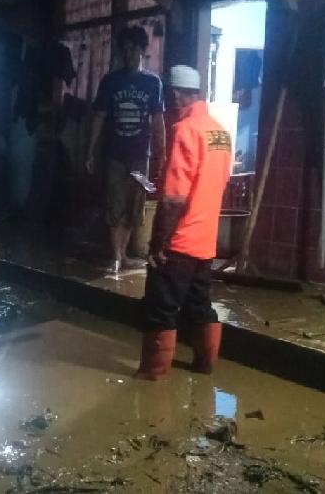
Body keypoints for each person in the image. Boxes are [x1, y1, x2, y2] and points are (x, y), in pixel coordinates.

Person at [135, 65, 231, 380]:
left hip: (179, 241)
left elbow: (175, 196)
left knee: (160, 308)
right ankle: (205, 366)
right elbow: (216, 181)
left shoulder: (185, 130)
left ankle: (152, 375)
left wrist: (159, 243)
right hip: (205, 241)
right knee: (199, 306)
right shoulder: (219, 132)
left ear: (176, 94)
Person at [86, 26, 166, 273]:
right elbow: (99, 117)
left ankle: (124, 254)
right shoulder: (110, 81)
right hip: (114, 155)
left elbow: (157, 120)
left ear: (143, 50)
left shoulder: (153, 83)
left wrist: (163, 152)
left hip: (141, 158)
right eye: (126, 49)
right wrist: (91, 150)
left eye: (135, 49)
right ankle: (117, 256)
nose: (129, 54)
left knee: (135, 204)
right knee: (114, 203)